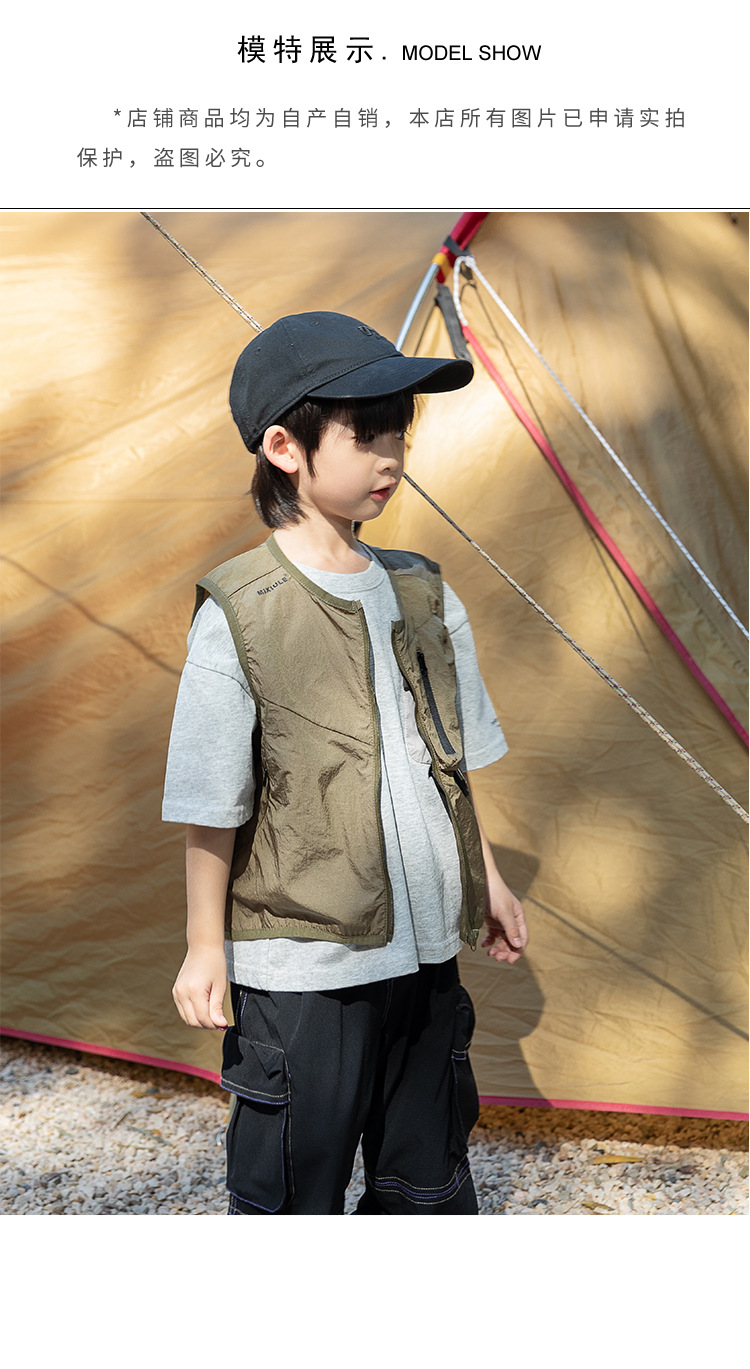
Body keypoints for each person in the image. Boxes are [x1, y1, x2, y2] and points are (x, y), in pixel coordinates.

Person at [162, 310, 528, 1215]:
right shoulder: (241, 610)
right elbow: (211, 802)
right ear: (284, 447)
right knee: (294, 1198)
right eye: (366, 434)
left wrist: (484, 878)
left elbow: (445, 764)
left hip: (425, 957)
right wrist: (204, 946)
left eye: (399, 431)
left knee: (426, 1188)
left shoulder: (423, 591)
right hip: (303, 974)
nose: (390, 456)